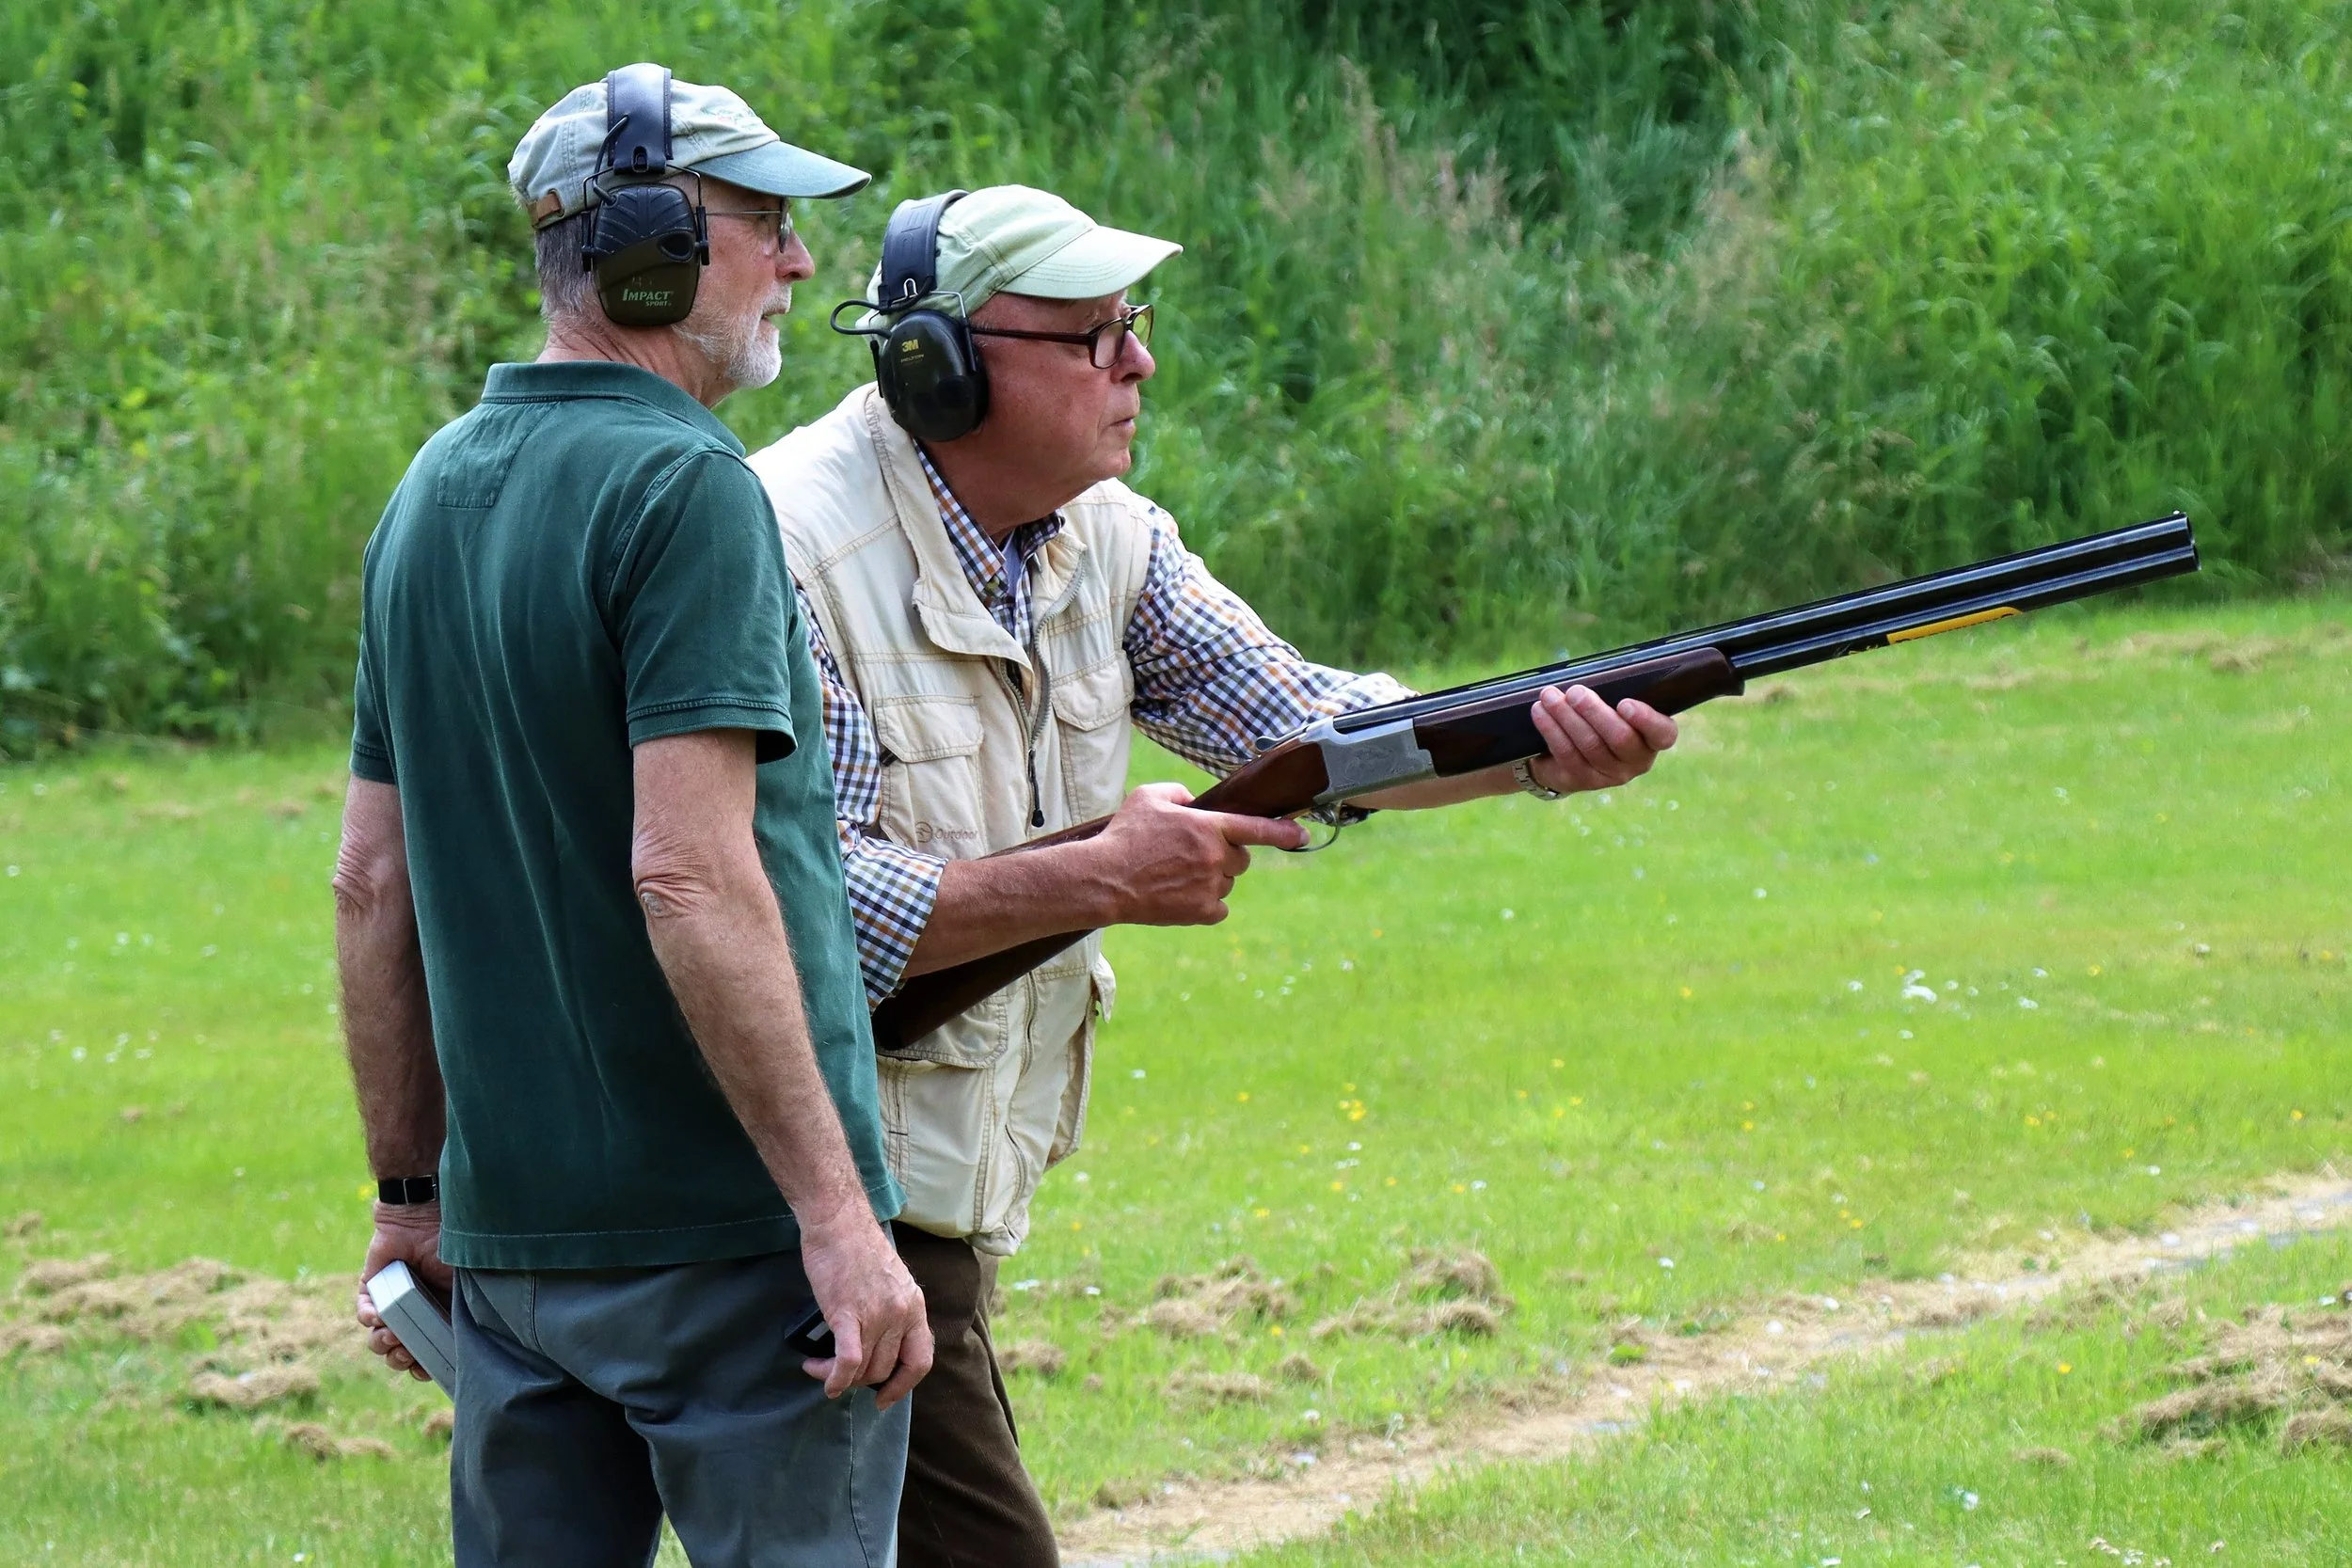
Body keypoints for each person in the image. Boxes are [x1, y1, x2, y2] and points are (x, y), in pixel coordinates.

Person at [745, 184, 1679, 1566]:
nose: (1142, 363)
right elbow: (799, 913)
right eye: (1096, 336)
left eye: (1136, 326)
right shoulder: (784, 545)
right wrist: (1100, 879)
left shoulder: (1101, 534)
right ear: (938, 366)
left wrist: (1536, 749)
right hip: (808, 1185)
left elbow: (1304, 728)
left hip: (926, 1185)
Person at [335, 65, 929, 1567]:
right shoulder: (687, 487)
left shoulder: (427, 493)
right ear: (651, 243)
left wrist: (411, 1196)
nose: (798, 261)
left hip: (514, 1248)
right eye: (763, 223)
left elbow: (368, 881)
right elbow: (688, 871)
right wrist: (841, 1216)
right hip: (733, 1251)